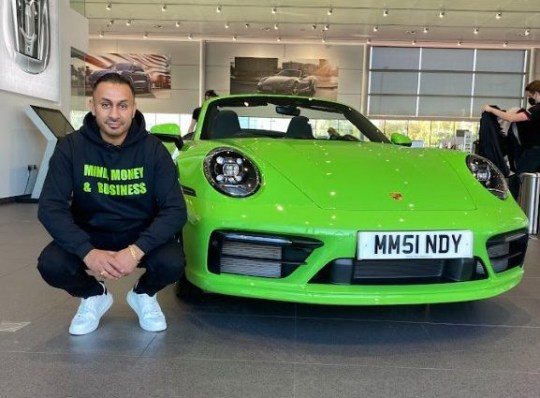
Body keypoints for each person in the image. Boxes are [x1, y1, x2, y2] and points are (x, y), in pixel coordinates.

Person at [37, 73, 187, 335]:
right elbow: (50, 207)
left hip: (139, 232)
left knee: (173, 262)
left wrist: (136, 251)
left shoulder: (153, 150)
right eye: (106, 105)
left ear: (134, 108)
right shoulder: (70, 148)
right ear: (92, 106)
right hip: (90, 232)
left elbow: (175, 209)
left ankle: (143, 294)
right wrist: (87, 251)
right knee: (51, 264)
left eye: (122, 105)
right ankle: (93, 295)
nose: (114, 114)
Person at [483, 80, 540, 197]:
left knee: (520, 179)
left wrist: (491, 110)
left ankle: (514, 205)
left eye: (530, 96)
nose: (530, 99)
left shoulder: (536, 110)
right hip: (534, 152)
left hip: (534, 152)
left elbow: (511, 118)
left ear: (536, 93)